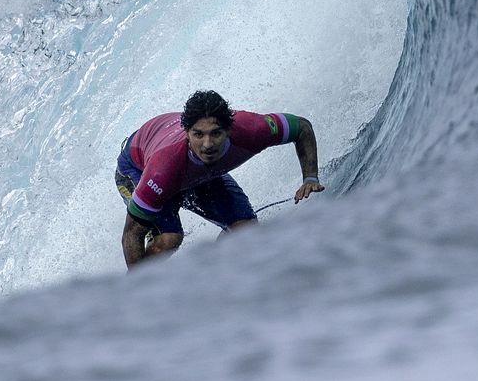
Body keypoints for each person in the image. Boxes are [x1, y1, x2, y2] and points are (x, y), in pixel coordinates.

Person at [115, 90, 323, 268]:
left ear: (229, 130)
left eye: (216, 133)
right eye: (198, 135)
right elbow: (131, 234)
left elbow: (302, 127)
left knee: (246, 232)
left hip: (196, 175)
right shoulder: (163, 167)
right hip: (136, 169)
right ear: (187, 133)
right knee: (169, 238)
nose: (207, 144)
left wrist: (310, 178)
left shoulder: (251, 129)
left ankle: (213, 274)